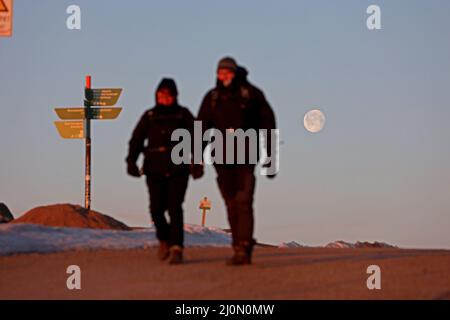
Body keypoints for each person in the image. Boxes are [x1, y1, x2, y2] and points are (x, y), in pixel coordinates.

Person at [197, 57, 277, 265]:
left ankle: (244, 246)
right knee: (231, 203)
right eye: (220, 72)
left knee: (244, 200)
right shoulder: (213, 97)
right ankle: (238, 244)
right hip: (221, 158)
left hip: (246, 155)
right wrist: (197, 157)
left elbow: (268, 124)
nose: (223, 76)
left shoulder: (251, 95)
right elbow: (201, 128)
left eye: (227, 72)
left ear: (235, 73)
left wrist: (271, 155)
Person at [126, 78, 202, 265]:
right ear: (156, 96)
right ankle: (163, 239)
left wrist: (197, 162)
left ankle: (177, 247)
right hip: (154, 168)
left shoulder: (183, 115)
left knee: (175, 207)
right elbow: (136, 139)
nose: (164, 99)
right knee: (156, 209)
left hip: (178, 168)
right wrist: (131, 162)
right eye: (161, 95)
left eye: (168, 96)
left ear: (175, 96)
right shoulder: (150, 116)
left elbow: (198, 137)